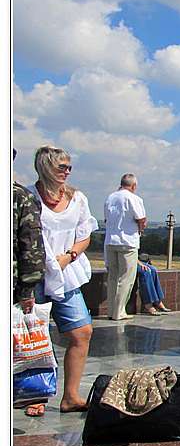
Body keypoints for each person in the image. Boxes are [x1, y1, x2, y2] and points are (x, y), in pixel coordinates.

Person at [28, 145, 98, 413]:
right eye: (62, 167)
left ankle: (70, 396)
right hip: (35, 275)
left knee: (82, 331)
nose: (67, 171)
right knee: (35, 334)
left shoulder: (77, 198)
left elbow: (84, 234)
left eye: (69, 167)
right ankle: (35, 395)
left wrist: (69, 256)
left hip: (66, 273)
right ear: (46, 166)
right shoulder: (28, 197)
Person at [13, 148, 48, 417]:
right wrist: (27, 290)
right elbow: (32, 249)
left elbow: (32, 250)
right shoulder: (19, 196)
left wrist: (26, 290)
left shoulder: (20, 197)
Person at [103, 173, 147, 320]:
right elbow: (141, 219)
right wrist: (141, 229)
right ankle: (119, 312)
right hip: (127, 242)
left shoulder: (110, 197)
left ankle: (111, 311)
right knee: (126, 278)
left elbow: (106, 219)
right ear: (133, 186)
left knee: (113, 277)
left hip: (110, 241)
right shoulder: (134, 198)